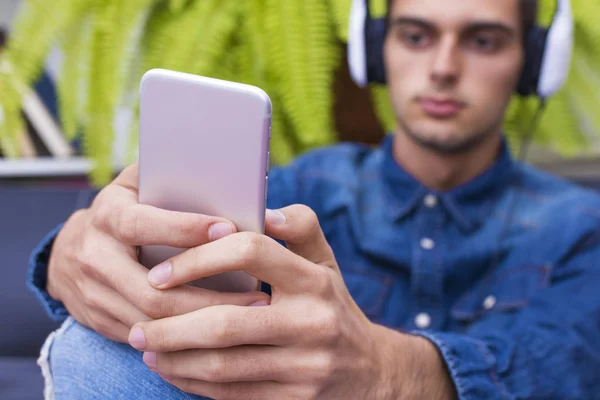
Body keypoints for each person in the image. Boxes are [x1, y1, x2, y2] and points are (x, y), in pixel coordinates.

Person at [27, 0, 600, 399]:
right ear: (376, 52)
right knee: (88, 350)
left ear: (533, 62)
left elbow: (569, 362)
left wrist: (391, 374)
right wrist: (68, 256)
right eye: (416, 35)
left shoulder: (581, 228)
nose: (444, 68)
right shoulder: (298, 191)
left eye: (482, 40)